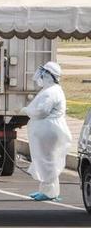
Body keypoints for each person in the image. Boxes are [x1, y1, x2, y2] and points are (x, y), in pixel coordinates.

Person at [21, 62, 72, 202]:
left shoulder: (51, 92)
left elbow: (42, 111)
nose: (40, 76)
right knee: (46, 160)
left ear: (50, 75)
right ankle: (47, 190)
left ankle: (49, 193)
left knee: (48, 161)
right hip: (48, 129)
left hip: (49, 130)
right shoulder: (50, 89)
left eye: (43, 73)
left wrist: (27, 111)